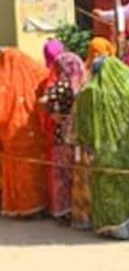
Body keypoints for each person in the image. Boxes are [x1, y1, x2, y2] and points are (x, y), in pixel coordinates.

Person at [77, 56, 129, 239]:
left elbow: (83, 123)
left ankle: (107, 225)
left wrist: (86, 142)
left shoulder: (89, 92)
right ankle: (128, 226)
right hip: (126, 148)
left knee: (104, 186)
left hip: (101, 149)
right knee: (126, 185)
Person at [0, 49, 51, 219]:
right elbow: (49, 84)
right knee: (33, 169)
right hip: (31, 130)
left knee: (17, 170)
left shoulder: (4, 82)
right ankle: (36, 204)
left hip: (10, 134)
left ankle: (19, 206)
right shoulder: (35, 72)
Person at [40, 50, 88, 226]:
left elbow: (43, 100)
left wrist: (54, 113)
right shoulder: (84, 83)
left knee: (62, 174)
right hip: (78, 135)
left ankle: (64, 211)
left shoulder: (62, 85)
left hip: (62, 135)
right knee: (76, 173)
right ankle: (78, 210)